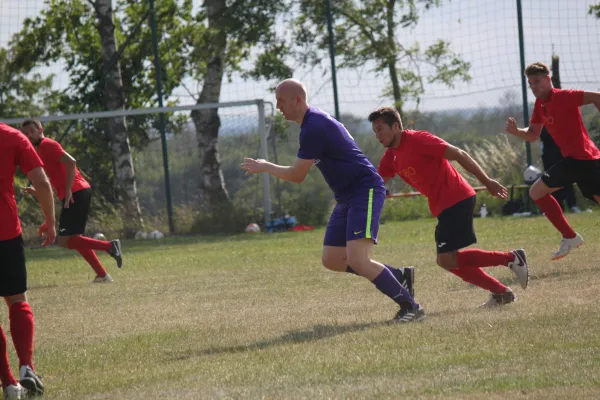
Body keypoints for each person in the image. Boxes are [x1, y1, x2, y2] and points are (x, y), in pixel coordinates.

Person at [241, 79, 424, 322]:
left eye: (281, 101)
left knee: (359, 259)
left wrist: (265, 166)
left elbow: (297, 176)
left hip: (364, 190)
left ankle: (411, 307)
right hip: (347, 196)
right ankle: (398, 276)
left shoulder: (314, 127)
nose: (278, 106)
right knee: (333, 259)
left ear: (298, 100)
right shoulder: (311, 124)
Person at [368, 106, 529, 307]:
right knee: (447, 260)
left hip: (457, 198)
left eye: (380, 128)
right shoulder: (390, 157)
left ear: (395, 126)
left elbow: (459, 154)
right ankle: (501, 290)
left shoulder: (418, 140)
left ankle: (510, 259)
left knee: (445, 259)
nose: (377, 135)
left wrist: (487, 182)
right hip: (443, 205)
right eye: (374, 131)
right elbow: (375, 184)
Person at [505, 62, 600, 260]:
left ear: (548, 80)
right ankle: (570, 236)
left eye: (537, 82)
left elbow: (597, 97)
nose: (533, 87)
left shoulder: (564, 96)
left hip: (581, 158)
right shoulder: (540, 105)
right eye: (530, 83)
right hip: (582, 160)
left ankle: (570, 236)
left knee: (536, 191)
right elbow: (532, 134)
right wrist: (516, 132)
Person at [21, 119, 122, 282]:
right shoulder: (38, 150)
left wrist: (68, 190)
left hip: (76, 192)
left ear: (41, 130)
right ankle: (103, 275)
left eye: (31, 131)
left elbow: (71, 162)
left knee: (66, 241)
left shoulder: (47, 144)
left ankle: (110, 246)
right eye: (25, 133)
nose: (29, 135)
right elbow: (55, 176)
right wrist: (38, 191)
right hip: (76, 192)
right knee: (75, 239)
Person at [0, 122, 56, 398]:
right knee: (17, 300)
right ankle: (27, 368)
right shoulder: (12, 137)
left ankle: (9, 383)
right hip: (6, 232)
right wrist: (50, 221)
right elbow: (42, 182)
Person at [540, 127, 581, 213]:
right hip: (549, 158)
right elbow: (541, 135)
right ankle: (558, 207)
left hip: (562, 155)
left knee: (567, 181)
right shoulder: (544, 126)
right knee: (552, 183)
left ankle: (572, 205)